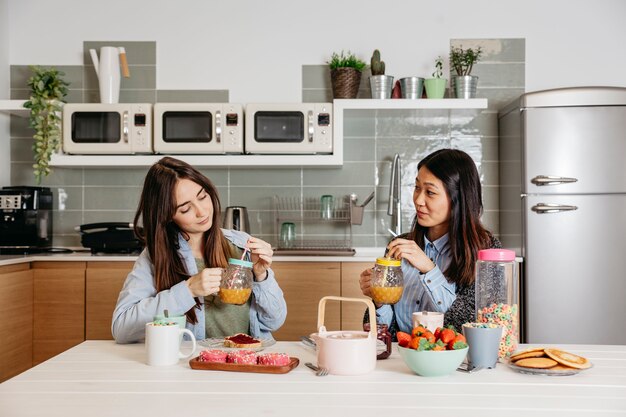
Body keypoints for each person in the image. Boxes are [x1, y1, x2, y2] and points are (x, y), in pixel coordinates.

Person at [112, 157, 287, 344]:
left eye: (203, 197)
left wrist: (261, 276)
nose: (202, 212)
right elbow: (122, 328)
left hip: (247, 360)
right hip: (193, 367)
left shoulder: (241, 245)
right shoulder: (155, 257)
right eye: (186, 209)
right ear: (167, 216)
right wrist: (188, 290)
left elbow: (274, 321)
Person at [359, 149, 500, 336]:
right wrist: (378, 300)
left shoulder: (486, 251)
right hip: (401, 360)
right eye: (417, 188)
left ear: (458, 199)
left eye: (430, 192)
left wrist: (429, 270)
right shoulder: (399, 245)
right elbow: (383, 334)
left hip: (456, 363)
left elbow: (472, 328)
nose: (418, 200)